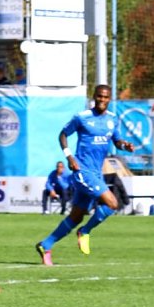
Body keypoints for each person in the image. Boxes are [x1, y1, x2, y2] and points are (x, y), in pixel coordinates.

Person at [35, 85, 134, 265]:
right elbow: (63, 135)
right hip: (82, 171)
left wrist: (124, 145)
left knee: (76, 216)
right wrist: (69, 156)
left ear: (109, 99)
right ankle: (85, 231)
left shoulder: (113, 119)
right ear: (94, 97)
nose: (102, 100)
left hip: (97, 173)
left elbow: (117, 141)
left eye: (105, 97)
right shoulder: (82, 117)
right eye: (99, 96)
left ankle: (46, 244)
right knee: (112, 204)